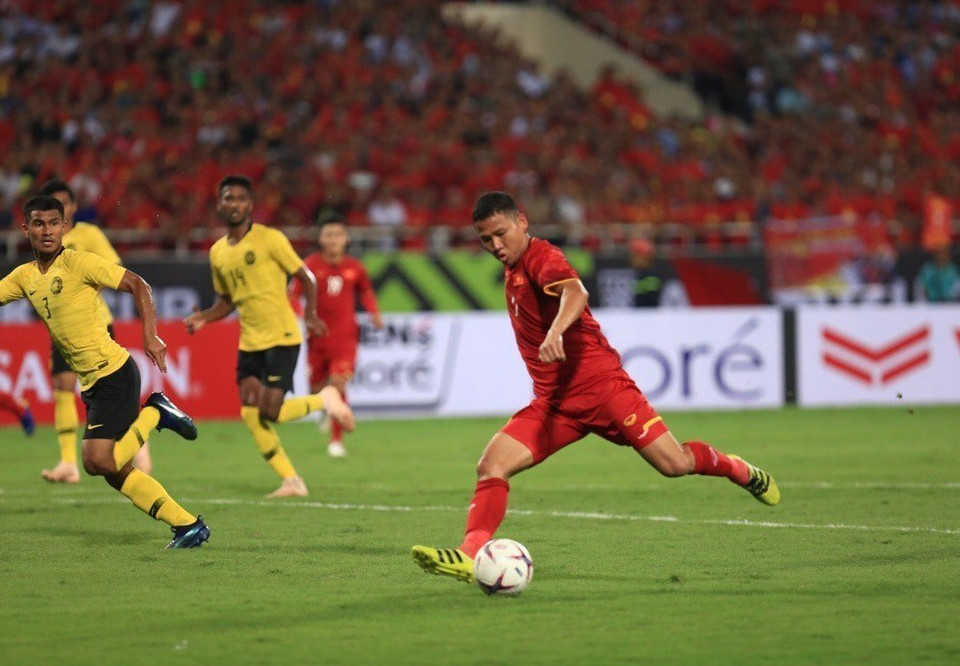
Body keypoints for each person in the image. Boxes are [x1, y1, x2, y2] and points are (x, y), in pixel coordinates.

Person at [412, 192, 779, 582]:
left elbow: (576, 292)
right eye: (486, 240)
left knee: (675, 465)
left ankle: (737, 468)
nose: (495, 246)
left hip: (605, 392)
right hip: (556, 404)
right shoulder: (512, 267)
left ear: (522, 221)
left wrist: (556, 331)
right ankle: (469, 556)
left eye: (500, 234)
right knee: (491, 465)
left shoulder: (542, 257)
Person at [0, 196, 207, 549]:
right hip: (92, 383)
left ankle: (157, 412)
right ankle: (187, 525)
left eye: (53, 223)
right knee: (115, 473)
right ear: (25, 230)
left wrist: (150, 334)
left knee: (98, 460)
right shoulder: (24, 277)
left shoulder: (79, 263)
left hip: (114, 373)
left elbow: (138, 284)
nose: (47, 230)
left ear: (65, 227)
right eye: (38, 223)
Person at [183, 175, 355, 497]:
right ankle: (292, 481)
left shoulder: (270, 239)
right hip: (251, 341)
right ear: (219, 204)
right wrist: (204, 318)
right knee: (249, 411)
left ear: (250, 205)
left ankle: (326, 399)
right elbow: (226, 301)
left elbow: (306, 277)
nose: (234, 204)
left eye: (240, 199)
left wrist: (311, 314)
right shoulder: (218, 252)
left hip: (282, 336)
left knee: (271, 412)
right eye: (228, 198)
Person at [36, 179, 152, 483]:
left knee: (108, 389)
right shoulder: (46, 242)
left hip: (95, 322)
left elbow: (114, 267)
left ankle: (141, 436)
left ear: (72, 207)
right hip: (62, 331)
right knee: (62, 387)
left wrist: (78, 291)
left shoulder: (89, 235)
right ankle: (68, 463)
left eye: (62, 203)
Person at [292, 212, 383, 458]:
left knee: (338, 383)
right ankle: (323, 409)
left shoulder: (355, 267)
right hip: (317, 338)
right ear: (321, 238)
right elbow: (292, 295)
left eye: (338, 235)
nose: (333, 239)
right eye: (328, 234)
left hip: (345, 337)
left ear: (346, 238)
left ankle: (336, 440)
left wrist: (374, 313)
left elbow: (366, 291)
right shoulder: (309, 265)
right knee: (317, 387)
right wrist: (305, 316)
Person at [629, 237, 663, 307]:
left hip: (649, 314)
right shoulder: (636, 274)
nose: (634, 260)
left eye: (638, 256)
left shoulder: (652, 276)